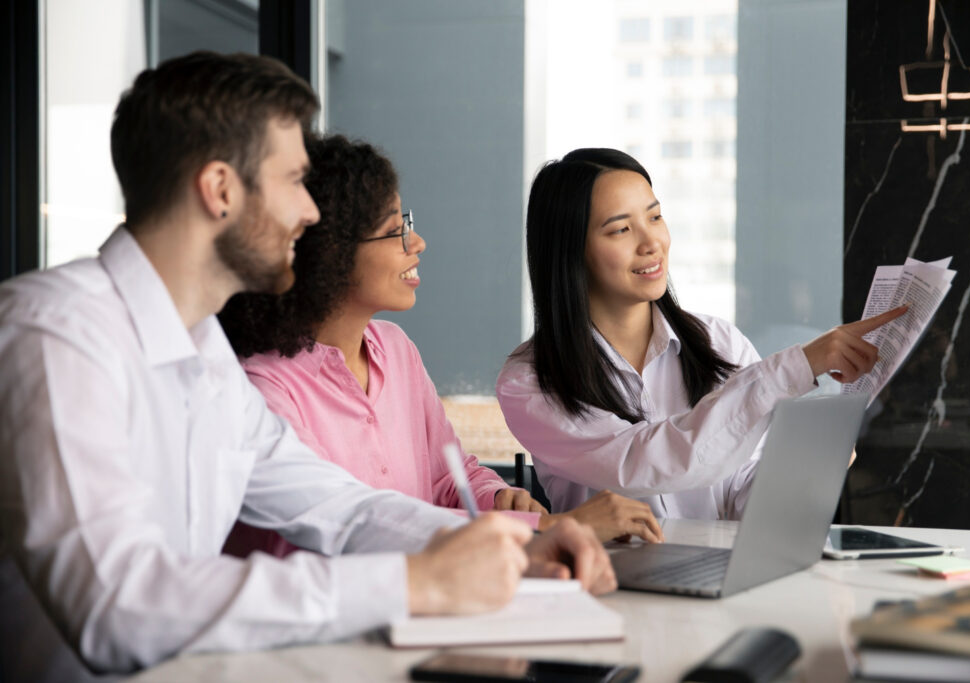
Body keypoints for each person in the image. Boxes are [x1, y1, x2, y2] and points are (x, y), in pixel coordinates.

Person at [0, 53, 614, 680]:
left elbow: (341, 508)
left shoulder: (202, 350)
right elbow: (116, 608)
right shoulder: (55, 335)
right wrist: (412, 583)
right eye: (293, 180)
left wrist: (512, 544)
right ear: (219, 190)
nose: (313, 213)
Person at [216, 133, 663, 550]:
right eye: (396, 231)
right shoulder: (264, 388)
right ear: (329, 254)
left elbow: (450, 478)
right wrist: (547, 528)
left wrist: (498, 499)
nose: (418, 243)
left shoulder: (394, 349)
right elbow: (353, 529)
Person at [496, 148, 905, 520]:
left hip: (713, 580)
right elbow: (649, 464)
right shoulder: (531, 380)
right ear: (570, 251)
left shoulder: (718, 342)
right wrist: (798, 366)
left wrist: (811, 464)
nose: (651, 242)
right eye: (621, 230)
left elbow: (743, 499)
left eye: (655, 217)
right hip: (609, 589)